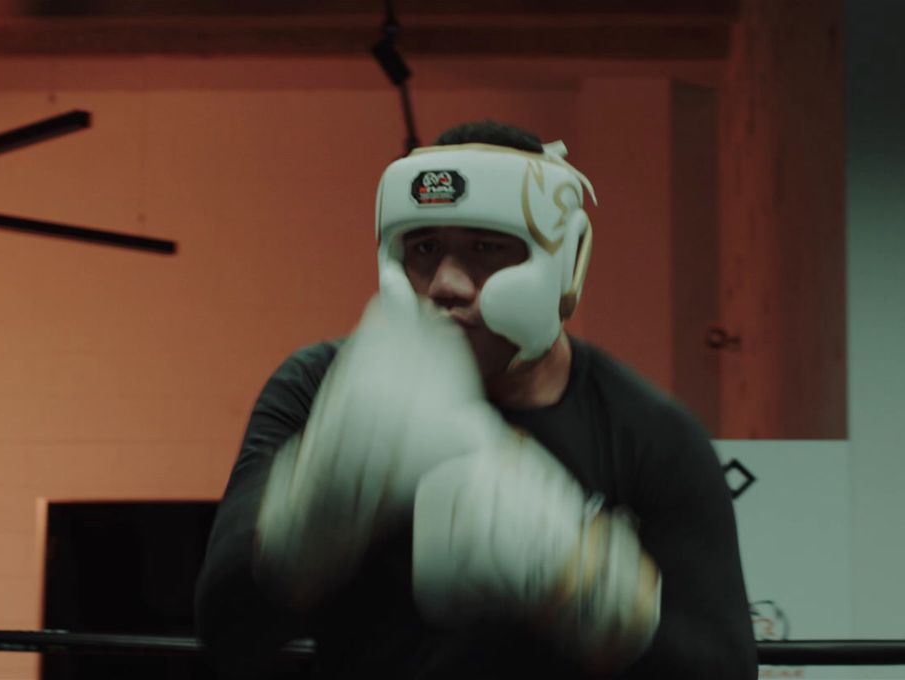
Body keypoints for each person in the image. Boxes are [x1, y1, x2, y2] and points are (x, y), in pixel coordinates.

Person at [194, 120, 756, 679]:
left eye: (486, 247)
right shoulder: (317, 387)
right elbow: (224, 630)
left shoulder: (650, 433)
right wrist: (310, 520)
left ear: (567, 260)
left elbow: (724, 670)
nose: (447, 283)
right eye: (424, 247)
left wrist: (577, 581)